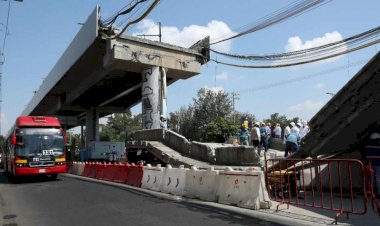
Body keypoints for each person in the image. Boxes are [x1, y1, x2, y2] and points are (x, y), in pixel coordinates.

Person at [362, 133, 380, 198]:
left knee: (370, 179)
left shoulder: (366, 147)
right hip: (378, 165)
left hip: (369, 165)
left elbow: (364, 156)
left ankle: (369, 192)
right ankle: (379, 193)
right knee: (378, 179)